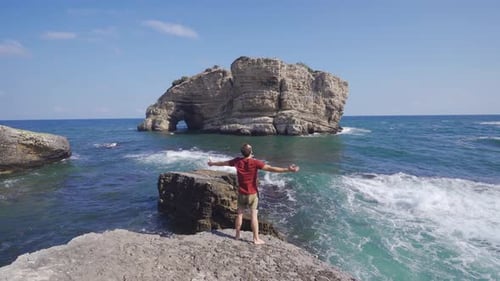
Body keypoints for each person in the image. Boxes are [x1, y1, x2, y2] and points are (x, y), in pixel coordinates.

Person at [207, 143, 299, 244]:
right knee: (254, 216)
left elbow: (223, 163)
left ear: (242, 152)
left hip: (242, 193)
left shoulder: (237, 161)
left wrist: (212, 164)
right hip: (253, 194)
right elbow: (271, 169)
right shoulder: (255, 162)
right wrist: (288, 170)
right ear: (251, 152)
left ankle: (237, 235)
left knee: (239, 214)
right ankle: (255, 239)